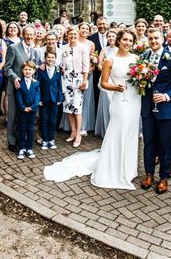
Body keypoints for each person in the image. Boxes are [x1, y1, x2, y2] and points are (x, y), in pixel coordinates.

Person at [44, 30, 141, 190]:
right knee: (119, 130)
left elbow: (137, 79)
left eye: (130, 40)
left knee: (131, 132)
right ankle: (114, 168)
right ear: (119, 40)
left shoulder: (136, 58)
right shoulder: (110, 59)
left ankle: (128, 169)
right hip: (119, 100)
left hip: (134, 100)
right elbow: (103, 83)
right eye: (125, 39)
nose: (127, 43)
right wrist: (116, 87)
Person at [140, 28, 171, 195]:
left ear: (163, 38)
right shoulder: (144, 57)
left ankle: (163, 177)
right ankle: (149, 174)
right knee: (149, 143)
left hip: (166, 109)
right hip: (147, 108)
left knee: (165, 144)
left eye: (156, 38)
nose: (153, 41)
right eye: (150, 38)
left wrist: (167, 96)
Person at [4, 26, 39, 152]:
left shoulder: (34, 51)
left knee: (24, 115)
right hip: (16, 86)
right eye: (27, 34)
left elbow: (34, 67)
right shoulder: (13, 48)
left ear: (34, 36)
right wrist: (14, 78)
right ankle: (12, 141)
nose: (29, 37)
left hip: (29, 90)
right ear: (22, 34)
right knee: (13, 115)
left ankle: (22, 140)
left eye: (32, 35)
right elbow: (7, 68)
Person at [61, 26, 90, 148]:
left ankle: (78, 134)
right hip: (66, 79)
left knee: (77, 107)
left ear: (77, 35)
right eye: (70, 34)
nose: (72, 36)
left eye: (74, 34)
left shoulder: (83, 47)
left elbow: (86, 66)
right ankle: (72, 130)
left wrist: (84, 80)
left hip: (78, 79)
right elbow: (60, 63)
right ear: (67, 36)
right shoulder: (63, 48)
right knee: (68, 106)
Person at [38, 50, 63, 150]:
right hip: (43, 98)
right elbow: (38, 85)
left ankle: (51, 139)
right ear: (45, 59)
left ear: (55, 59)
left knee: (53, 120)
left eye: (52, 57)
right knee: (44, 119)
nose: (50, 59)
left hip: (54, 98)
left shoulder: (58, 70)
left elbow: (59, 85)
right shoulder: (41, 70)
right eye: (48, 57)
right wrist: (39, 98)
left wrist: (59, 97)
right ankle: (45, 140)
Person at [94, 30, 118, 137]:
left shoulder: (119, 50)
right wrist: (106, 69)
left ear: (117, 37)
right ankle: (106, 128)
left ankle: (116, 128)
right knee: (106, 104)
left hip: (116, 79)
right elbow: (99, 65)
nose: (111, 38)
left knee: (115, 104)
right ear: (107, 38)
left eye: (113, 36)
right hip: (106, 78)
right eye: (109, 36)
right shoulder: (104, 50)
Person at [16, 61, 41, 159]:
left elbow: (38, 96)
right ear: (22, 71)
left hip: (32, 111)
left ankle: (29, 148)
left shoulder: (36, 83)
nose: (28, 71)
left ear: (34, 71)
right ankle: (21, 148)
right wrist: (23, 107)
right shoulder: (19, 83)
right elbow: (18, 97)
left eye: (30, 69)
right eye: (26, 69)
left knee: (31, 129)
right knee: (22, 129)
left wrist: (33, 107)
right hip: (23, 111)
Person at [88, 16, 109, 111]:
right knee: (97, 95)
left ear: (107, 24)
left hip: (110, 74)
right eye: (100, 24)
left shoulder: (114, 37)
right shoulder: (91, 38)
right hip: (96, 72)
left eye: (104, 24)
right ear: (97, 25)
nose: (102, 26)